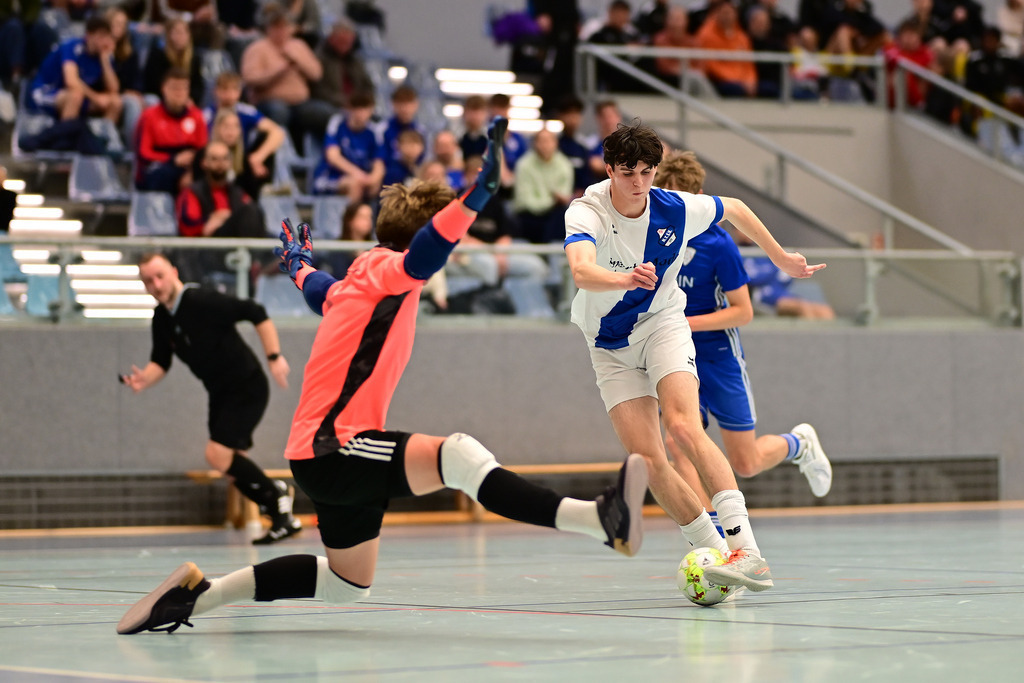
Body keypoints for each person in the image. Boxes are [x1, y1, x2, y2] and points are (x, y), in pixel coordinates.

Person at [116, 117, 649, 635]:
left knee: (349, 583)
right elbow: (426, 251)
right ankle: (599, 520)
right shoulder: (391, 270)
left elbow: (319, 288)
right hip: (335, 446)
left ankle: (197, 596)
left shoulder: (358, 279)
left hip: (315, 455)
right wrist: (478, 193)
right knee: (458, 454)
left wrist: (298, 264)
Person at [563, 121, 825, 592]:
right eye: (628, 173)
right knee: (647, 459)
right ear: (609, 169)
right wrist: (624, 279)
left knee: (684, 426)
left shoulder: (676, 208)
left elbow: (737, 208)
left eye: (647, 172)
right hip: (607, 344)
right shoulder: (588, 211)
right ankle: (715, 551)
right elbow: (581, 271)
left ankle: (749, 552)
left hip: (663, 324)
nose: (639, 183)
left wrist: (781, 257)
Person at [654, 150, 833, 516]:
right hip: (675, 357)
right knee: (679, 442)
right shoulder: (656, 237)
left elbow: (743, 312)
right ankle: (713, 541)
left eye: (683, 198)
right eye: (669, 197)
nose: (676, 206)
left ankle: (798, 444)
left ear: (700, 197)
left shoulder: (719, 244)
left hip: (719, 357)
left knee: (746, 462)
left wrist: (689, 322)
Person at [120, 252, 301, 547]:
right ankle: (280, 514)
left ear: (174, 272)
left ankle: (278, 499)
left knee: (217, 454)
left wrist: (274, 356)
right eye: (148, 280)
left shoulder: (201, 301)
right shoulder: (162, 319)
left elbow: (255, 311)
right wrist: (143, 379)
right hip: (219, 393)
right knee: (231, 465)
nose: (155, 284)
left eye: (160, 276)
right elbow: (160, 362)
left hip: (245, 386)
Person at [240, 2, 334, 147]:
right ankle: (272, 155)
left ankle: (326, 156)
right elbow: (250, 79)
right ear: (268, 29)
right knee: (279, 112)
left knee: (326, 113)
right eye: (276, 27)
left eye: (285, 26)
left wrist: (298, 61)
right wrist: (280, 69)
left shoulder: (298, 46)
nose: (281, 31)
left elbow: (317, 74)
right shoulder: (257, 48)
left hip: (301, 103)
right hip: (269, 101)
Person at [27, 16, 121, 123]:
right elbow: (71, 81)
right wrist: (96, 98)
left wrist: (105, 61)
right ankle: (65, 137)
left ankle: (104, 137)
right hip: (45, 92)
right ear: (88, 35)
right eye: (101, 36)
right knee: (75, 96)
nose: (104, 41)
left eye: (107, 36)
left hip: (77, 95)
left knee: (115, 102)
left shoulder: (103, 55)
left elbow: (114, 89)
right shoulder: (72, 47)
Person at [203, 71, 286, 189]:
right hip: (214, 163)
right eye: (225, 90)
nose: (230, 95)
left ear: (240, 92)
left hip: (240, 161)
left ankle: (261, 191)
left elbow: (277, 132)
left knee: (264, 137)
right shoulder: (205, 116)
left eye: (234, 90)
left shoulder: (245, 111)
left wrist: (258, 157)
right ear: (216, 91)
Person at [134, 68, 208, 193]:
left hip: (190, 166)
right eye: (174, 88)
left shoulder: (197, 116)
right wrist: (172, 159)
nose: (179, 93)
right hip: (161, 165)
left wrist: (191, 171)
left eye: (184, 88)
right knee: (162, 175)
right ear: (164, 88)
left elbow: (203, 149)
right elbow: (144, 153)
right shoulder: (149, 116)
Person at [177, 139, 266, 238]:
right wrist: (209, 222)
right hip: (210, 245)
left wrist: (226, 217)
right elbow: (188, 226)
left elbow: (252, 215)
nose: (220, 163)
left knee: (253, 211)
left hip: (235, 239)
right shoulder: (193, 192)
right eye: (215, 159)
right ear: (204, 163)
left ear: (230, 162)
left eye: (224, 159)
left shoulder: (238, 193)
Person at [311, 90, 385, 201]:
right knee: (354, 184)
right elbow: (333, 157)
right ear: (350, 109)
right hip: (330, 177)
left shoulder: (374, 131)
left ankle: (368, 215)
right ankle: (352, 216)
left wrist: (372, 179)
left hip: (361, 179)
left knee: (378, 184)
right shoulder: (337, 123)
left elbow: (379, 164)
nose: (361, 113)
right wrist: (359, 175)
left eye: (365, 108)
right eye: (357, 108)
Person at [513, 128, 574, 244]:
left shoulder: (565, 165)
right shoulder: (523, 165)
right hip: (529, 216)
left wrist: (552, 201)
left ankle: (550, 257)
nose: (545, 145)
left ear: (556, 143)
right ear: (534, 144)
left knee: (562, 215)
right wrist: (551, 200)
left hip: (554, 215)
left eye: (549, 141)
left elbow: (564, 196)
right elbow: (524, 202)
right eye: (542, 141)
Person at [142, 17, 205, 108]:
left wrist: (187, 98)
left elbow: (198, 86)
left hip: (185, 99)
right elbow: (152, 83)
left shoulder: (194, 58)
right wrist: (172, 98)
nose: (180, 36)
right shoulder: (158, 55)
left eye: (183, 32)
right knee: (151, 101)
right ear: (169, 35)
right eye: (176, 32)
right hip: (161, 98)